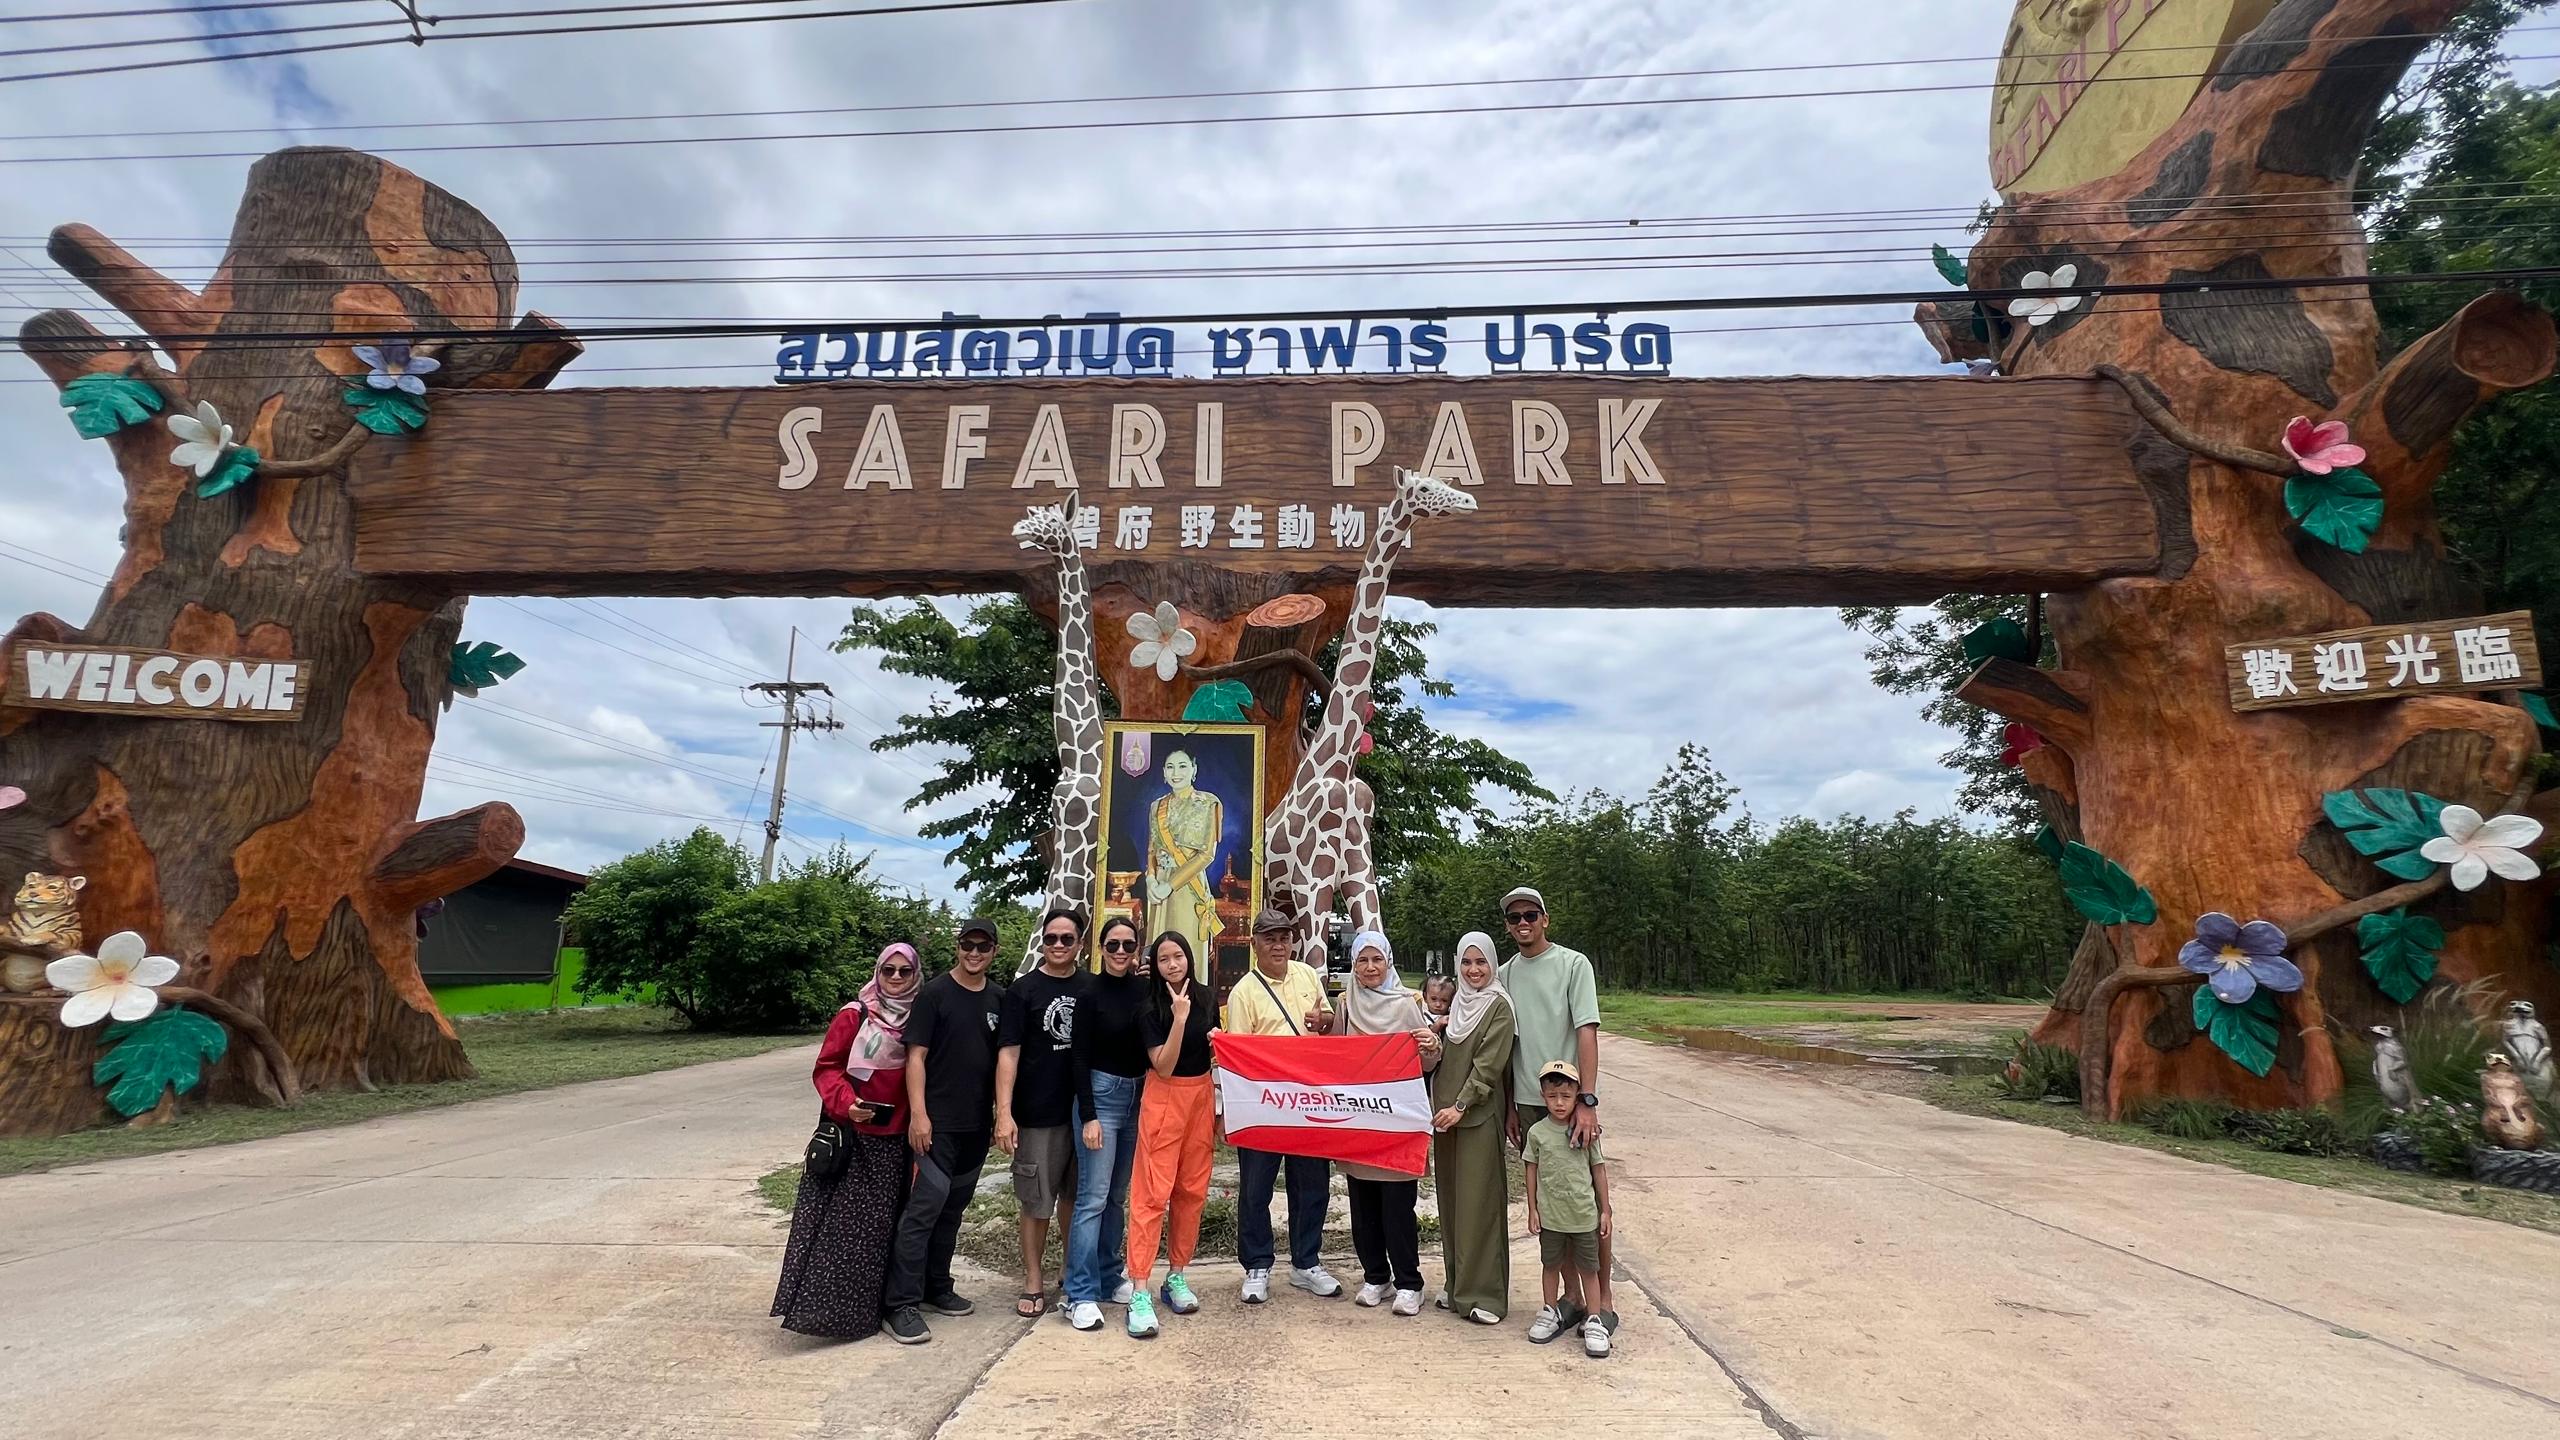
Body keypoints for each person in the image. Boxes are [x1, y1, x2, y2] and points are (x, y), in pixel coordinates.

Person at [771, 942, 922, 1339]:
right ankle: (835, 1312)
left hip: (899, 1139)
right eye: (888, 970)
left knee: (888, 1227)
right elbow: (827, 1068)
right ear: (877, 972)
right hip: (856, 1138)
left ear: (915, 975)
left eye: (904, 971)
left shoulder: (922, 1016)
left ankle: (887, 1305)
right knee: (846, 1230)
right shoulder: (855, 1015)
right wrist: (847, 1104)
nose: (895, 977)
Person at [882, 916, 1007, 1346]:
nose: (974, 953)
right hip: (936, 1126)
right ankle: (900, 1304)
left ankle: (936, 1286)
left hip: (976, 1126)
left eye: (983, 947)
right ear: (958, 947)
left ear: (994, 951)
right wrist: (918, 1114)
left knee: (953, 1211)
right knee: (923, 1211)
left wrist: (1000, 1114)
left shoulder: (998, 998)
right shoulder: (934, 994)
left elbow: (1002, 1061)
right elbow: (915, 1057)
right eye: (968, 945)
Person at [1498, 885, 1611, 1337]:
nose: (1523, 923)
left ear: (1545, 919)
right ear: (1508, 927)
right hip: (1530, 1102)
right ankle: (1572, 1298)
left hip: (1569, 1100)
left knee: (1588, 1203)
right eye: (1514, 918)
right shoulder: (1504, 974)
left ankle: (1605, 1303)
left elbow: (1586, 1031)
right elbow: (1509, 1044)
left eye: (1531, 915)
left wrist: (1587, 1099)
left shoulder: (1573, 964)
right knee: (1553, 1204)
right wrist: (1511, 1104)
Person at [1220, 906, 1343, 1305]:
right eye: (1269, 938)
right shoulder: (1244, 992)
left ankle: (1306, 1261)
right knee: (1256, 1187)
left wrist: (1323, 1022)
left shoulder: (1307, 975)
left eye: (1284, 937)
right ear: (1254, 943)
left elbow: (1326, 1020)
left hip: (1307, 1099)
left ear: (1293, 941)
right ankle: (1257, 1264)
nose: (1278, 945)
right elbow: (1239, 1055)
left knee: (1312, 1184)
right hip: (1265, 1102)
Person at [1334, 930, 1441, 1315]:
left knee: (1397, 1208)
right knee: (1363, 1208)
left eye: (1377, 959)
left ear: (1389, 961)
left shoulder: (1408, 1003)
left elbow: (1426, 1061)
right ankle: (1376, 1276)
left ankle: (1410, 1283)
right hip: (1359, 1122)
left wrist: (1432, 1048)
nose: (1370, 967)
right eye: (1362, 960)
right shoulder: (1346, 1003)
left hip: (1396, 1125)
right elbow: (1335, 1056)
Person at [995, 908, 1092, 1320]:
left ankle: (1071, 1272)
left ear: (1080, 944)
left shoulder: (1091, 986)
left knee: (1075, 1198)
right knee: (1036, 1201)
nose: (1058, 945)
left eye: (1066, 938)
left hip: (1085, 1113)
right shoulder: (1023, 991)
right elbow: (1008, 1053)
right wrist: (1004, 1113)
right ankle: (1033, 1279)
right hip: (1037, 1113)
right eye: (1051, 938)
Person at [1121, 931, 1217, 1340]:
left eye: (1178, 956)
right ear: (1155, 966)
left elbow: (1214, 1051)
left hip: (1201, 1097)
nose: (1173, 964)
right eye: (1164, 959)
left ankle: (1177, 1274)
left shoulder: (1207, 997)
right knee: (1151, 1194)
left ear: (1189, 958)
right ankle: (1140, 1289)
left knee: (1191, 1191)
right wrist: (1178, 1019)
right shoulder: (1149, 1007)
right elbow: (1163, 1064)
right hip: (1164, 1097)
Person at [1062, 915, 1150, 1332]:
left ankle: (1109, 1275)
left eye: (1128, 945)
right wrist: (1089, 1116)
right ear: (1100, 949)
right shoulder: (1088, 993)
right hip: (1101, 1095)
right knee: (1092, 1198)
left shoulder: (1144, 990)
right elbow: (1078, 1057)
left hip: (1137, 1097)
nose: (1120, 952)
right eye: (1112, 945)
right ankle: (1079, 1293)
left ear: (1137, 950)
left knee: (1116, 1196)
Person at [1429, 930, 1515, 1326]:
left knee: (1479, 1205)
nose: (1474, 970)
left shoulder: (1499, 1007)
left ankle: (1486, 1296)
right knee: (1452, 1203)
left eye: (1481, 962)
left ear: (1492, 964)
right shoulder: (1457, 1007)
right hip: (1445, 1119)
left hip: (1475, 1115)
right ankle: (1457, 1286)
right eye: (1466, 962)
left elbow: (1488, 1066)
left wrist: (1461, 1105)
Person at [1523, 1060, 1613, 1359]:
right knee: (1550, 1265)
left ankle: (1595, 1320)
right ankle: (1550, 1311)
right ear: (1543, 1096)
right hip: (1551, 1218)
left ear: (1577, 1096)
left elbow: (1599, 1169)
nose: (1559, 1103)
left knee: (1589, 1269)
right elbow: (1531, 1170)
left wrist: (1605, 1210)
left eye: (1566, 1096)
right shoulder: (1537, 1133)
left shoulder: (1585, 1131)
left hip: (1583, 1217)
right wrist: (1532, 1209)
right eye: (1552, 1096)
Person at [1144, 749, 1224, 965]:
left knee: (1186, 952)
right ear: (1164, 772)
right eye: (1170, 767)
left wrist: (1169, 886)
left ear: (1194, 769)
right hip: (1158, 887)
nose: (1176, 773)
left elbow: (1207, 855)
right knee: (1159, 952)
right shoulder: (1156, 807)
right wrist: (1150, 879)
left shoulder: (1208, 803)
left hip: (1189, 886)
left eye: (1182, 766)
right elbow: (1152, 850)